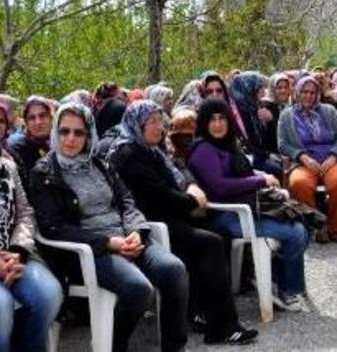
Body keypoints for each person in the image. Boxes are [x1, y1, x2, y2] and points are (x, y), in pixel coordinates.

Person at [28, 103, 189, 352]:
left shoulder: (100, 163)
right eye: (64, 131)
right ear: (55, 132)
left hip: (128, 237)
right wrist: (107, 243)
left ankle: (173, 346)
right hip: (92, 252)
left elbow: (126, 201)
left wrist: (137, 231)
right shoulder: (44, 172)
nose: (71, 139)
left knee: (174, 270)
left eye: (79, 132)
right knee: (138, 289)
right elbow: (53, 227)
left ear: (89, 133)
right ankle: (115, 345)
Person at [110, 100, 258, 345]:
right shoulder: (129, 154)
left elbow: (181, 168)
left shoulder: (154, 150)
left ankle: (201, 311)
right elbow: (157, 195)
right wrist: (192, 200)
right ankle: (222, 327)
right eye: (153, 122)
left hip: (174, 214)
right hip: (153, 223)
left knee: (220, 232)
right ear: (137, 125)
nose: (160, 127)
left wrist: (191, 185)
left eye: (161, 121)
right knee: (209, 242)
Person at [188, 98, 309, 311]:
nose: (218, 124)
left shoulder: (227, 144)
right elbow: (220, 186)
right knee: (296, 232)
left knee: (301, 220)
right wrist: (260, 180)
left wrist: (263, 175)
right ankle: (287, 287)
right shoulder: (203, 150)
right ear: (204, 122)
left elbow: (242, 169)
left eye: (222, 119)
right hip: (227, 216)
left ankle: (277, 280)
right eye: (212, 119)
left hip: (247, 207)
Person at [0, 140, 63, 352]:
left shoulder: (7, 166)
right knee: (1, 307)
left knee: (49, 295)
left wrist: (17, 252)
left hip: (13, 254)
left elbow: (25, 213)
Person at [278, 76, 337, 243]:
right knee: (299, 183)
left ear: (318, 94)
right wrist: (303, 157)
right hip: (304, 162)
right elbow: (282, 144)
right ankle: (318, 226)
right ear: (297, 93)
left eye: (312, 92)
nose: (308, 96)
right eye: (304, 92)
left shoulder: (330, 111)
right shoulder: (286, 115)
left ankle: (335, 227)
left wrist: (333, 156)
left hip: (330, 160)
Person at [9, 97, 53, 193]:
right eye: (32, 118)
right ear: (26, 123)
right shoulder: (16, 149)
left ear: (51, 118)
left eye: (43, 116)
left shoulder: (55, 144)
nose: (38, 122)